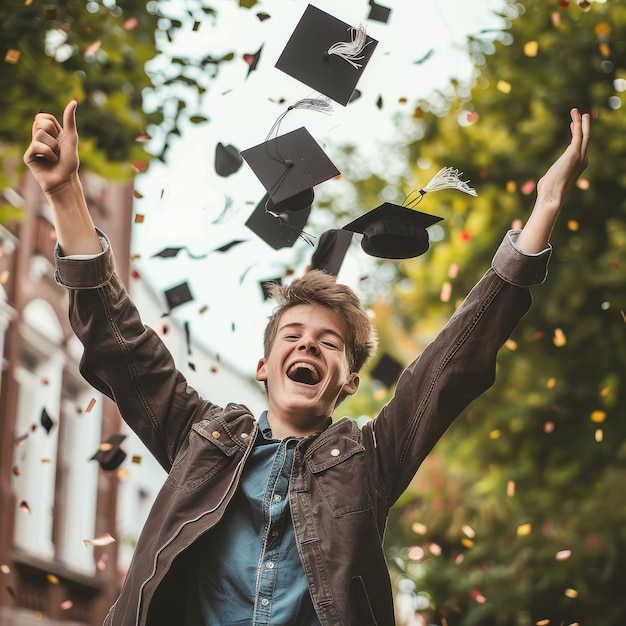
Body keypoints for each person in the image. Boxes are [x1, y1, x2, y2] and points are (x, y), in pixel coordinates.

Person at [23, 101, 590, 626]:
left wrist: (543, 211)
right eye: (292, 336)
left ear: (349, 381)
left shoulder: (368, 463)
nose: (307, 347)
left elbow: (450, 366)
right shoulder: (201, 440)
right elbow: (122, 346)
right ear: (265, 365)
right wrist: (67, 195)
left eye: (329, 343)